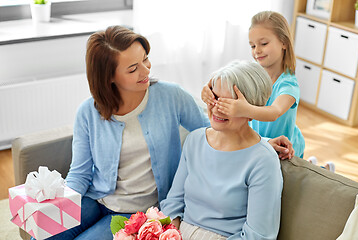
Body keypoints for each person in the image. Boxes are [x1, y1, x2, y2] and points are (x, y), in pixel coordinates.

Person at [34, 26, 292, 240]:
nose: (146, 71)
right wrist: (57, 204)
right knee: (42, 231)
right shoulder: (88, 112)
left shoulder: (171, 96)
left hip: (137, 212)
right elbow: (79, 172)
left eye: (145, 59)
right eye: (133, 68)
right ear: (109, 77)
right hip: (97, 198)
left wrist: (264, 143)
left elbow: (214, 126)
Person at [160, 60, 283, 240]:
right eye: (214, 97)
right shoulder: (195, 140)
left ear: (251, 108)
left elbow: (258, 236)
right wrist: (170, 234)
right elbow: (173, 203)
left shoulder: (263, 161)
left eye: (228, 103)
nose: (217, 108)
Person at [201, 11, 305, 158]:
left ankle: (322, 167)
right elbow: (226, 78)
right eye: (252, 46)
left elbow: (274, 112)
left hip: (283, 148)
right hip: (259, 142)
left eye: (263, 44)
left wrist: (244, 109)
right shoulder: (254, 73)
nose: (257, 51)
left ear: (284, 42)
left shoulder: (288, 85)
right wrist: (207, 88)